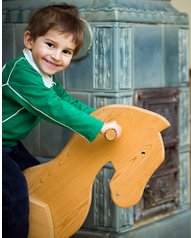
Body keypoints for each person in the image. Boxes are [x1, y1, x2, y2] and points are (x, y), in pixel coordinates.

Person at [2, 4, 122, 237]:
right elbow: (54, 108)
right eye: (50, 45)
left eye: (66, 52)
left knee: (39, 177)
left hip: (8, 143)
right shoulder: (22, 73)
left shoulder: (45, 76)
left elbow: (66, 101)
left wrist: (102, 118)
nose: (56, 56)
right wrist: (97, 127)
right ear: (29, 40)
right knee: (15, 192)